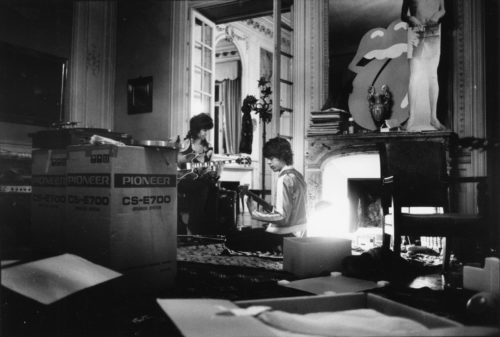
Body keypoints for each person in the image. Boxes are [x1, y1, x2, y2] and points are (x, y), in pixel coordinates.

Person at [225, 137, 307, 252]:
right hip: (299, 232)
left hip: (285, 235)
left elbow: (282, 217)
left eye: (272, 158)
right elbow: (289, 211)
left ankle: (277, 248)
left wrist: (254, 213)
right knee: (245, 234)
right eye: (268, 158)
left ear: (283, 156)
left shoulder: (284, 178)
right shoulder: (298, 175)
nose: (268, 162)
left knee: (232, 239)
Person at [401, 0, 446, 131]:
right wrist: (412, 18)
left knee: (432, 75)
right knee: (414, 75)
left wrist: (437, 16)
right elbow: (403, 15)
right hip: (415, 30)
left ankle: (433, 117)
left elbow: (443, 9)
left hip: (433, 29)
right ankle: (412, 117)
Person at [177, 113, 218, 235]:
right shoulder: (185, 144)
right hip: (184, 180)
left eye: (207, 130)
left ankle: (207, 230)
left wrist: (212, 171)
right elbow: (178, 163)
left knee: (211, 188)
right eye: (204, 129)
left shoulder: (208, 147)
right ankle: (193, 228)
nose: (206, 133)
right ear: (196, 129)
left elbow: (207, 168)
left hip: (199, 180)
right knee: (203, 188)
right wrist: (186, 160)